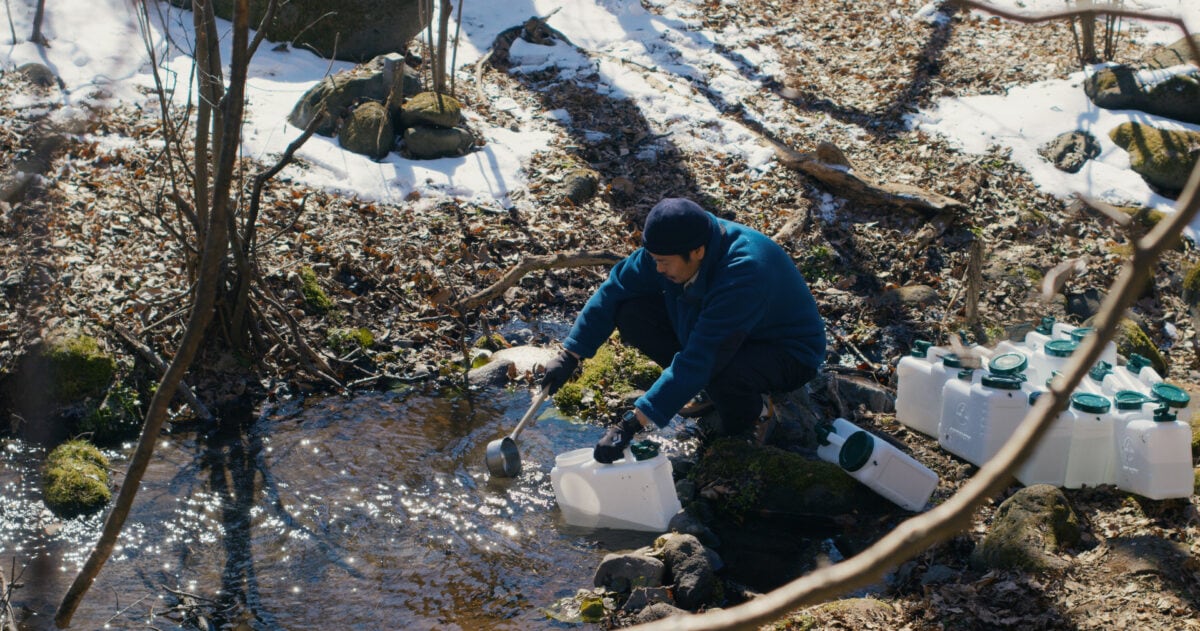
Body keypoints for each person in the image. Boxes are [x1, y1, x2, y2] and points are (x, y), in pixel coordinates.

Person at [540, 197, 827, 463]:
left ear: (698, 252)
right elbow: (613, 291)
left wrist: (631, 423)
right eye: (653, 258)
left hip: (788, 352)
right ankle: (704, 391)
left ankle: (757, 414)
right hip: (725, 333)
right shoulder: (670, 249)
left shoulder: (745, 271)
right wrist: (571, 354)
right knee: (630, 312)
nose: (657, 268)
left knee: (722, 372)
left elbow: (703, 356)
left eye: (663, 262)